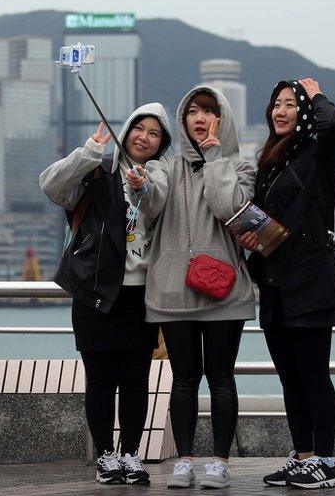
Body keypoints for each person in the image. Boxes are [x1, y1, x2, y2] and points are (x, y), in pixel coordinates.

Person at [40, 103, 172, 486]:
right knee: (99, 380)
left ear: (162, 143)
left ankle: (131, 453)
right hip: (94, 292)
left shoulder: (161, 175)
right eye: (139, 129)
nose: (144, 137)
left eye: (154, 133)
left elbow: (161, 204)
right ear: (127, 130)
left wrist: (142, 186)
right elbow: (51, 186)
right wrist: (90, 150)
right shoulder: (98, 169)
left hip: (139, 296)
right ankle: (104, 455)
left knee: (136, 380)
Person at [137, 86, 256, 489]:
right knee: (184, 378)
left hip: (224, 291)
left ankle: (219, 462)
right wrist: (140, 188)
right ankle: (184, 460)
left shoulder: (241, 166)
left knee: (221, 376)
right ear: (182, 119)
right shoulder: (165, 166)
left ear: (222, 118)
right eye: (192, 111)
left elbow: (229, 208)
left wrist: (213, 157)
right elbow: (150, 203)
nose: (199, 117)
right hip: (173, 290)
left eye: (209, 110)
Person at [239, 78, 335, 490]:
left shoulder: (319, 156)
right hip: (275, 286)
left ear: (304, 112)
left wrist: (316, 96)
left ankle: (326, 462)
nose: (280, 111)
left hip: (310, 284)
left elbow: (334, 126)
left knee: (314, 376)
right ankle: (303, 457)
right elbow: (271, 225)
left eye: (290, 104)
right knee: (290, 378)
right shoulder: (269, 162)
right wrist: (252, 238)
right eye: (276, 105)